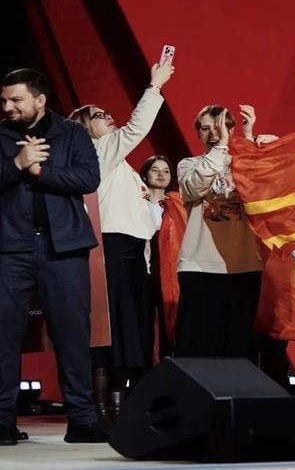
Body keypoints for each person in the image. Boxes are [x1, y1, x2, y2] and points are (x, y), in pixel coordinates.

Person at [0, 68, 106, 446]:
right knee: (1, 336)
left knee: (72, 334)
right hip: (7, 249)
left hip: (63, 247)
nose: (7, 107)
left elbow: (87, 179)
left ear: (40, 100)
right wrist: (16, 163)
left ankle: (82, 419)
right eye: (4, 100)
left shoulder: (72, 133)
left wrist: (40, 170)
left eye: (16, 100)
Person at [68, 59, 174, 423]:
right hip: (113, 249)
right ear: (85, 128)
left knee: (132, 331)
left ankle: (123, 406)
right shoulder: (98, 151)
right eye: (99, 115)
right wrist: (155, 87)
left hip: (133, 252)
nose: (108, 117)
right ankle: (103, 410)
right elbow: (135, 128)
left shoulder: (119, 165)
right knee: (112, 331)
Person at [175, 104, 263, 358]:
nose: (213, 134)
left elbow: (260, 188)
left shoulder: (246, 163)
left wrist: (248, 140)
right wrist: (223, 147)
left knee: (236, 350)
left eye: (220, 128)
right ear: (198, 133)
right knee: (198, 349)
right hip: (200, 266)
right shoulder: (189, 165)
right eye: (206, 129)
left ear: (232, 129)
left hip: (243, 266)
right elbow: (194, 187)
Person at [139, 155, 181, 360]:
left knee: (169, 322)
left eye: (166, 171)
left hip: (169, 271)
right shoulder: (136, 204)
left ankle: (168, 363)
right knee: (143, 323)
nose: (161, 174)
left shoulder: (177, 204)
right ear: (145, 175)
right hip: (143, 271)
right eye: (155, 170)